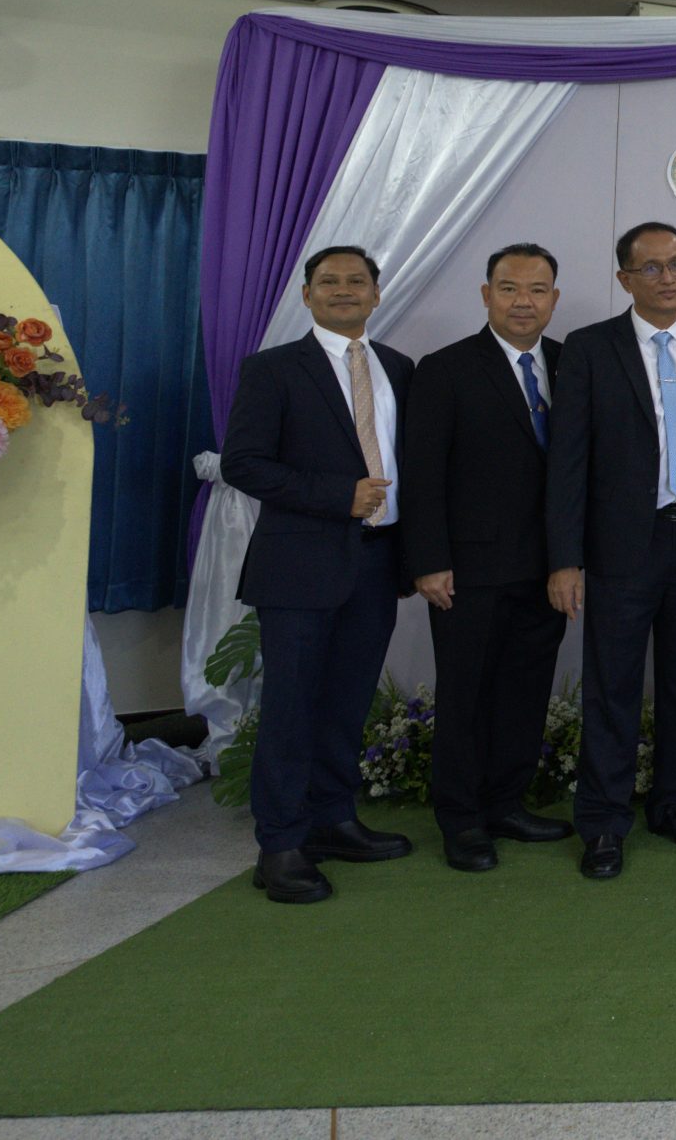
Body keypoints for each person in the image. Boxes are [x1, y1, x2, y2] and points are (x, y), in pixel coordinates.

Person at [220, 245, 415, 903]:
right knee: (291, 707)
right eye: (328, 281)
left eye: (356, 281)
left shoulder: (397, 367)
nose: (343, 290)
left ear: (376, 293)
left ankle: (333, 820)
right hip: (299, 565)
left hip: (377, 560)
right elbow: (243, 463)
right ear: (306, 295)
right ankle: (279, 844)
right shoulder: (273, 369)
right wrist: (338, 496)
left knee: (346, 701)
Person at [545, 222, 676, 880]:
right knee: (613, 687)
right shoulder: (590, 348)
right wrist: (565, 559)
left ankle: (674, 805)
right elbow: (567, 462)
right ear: (624, 278)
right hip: (622, 545)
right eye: (651, 268)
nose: (667, 277)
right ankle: (603, 820)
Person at [397, 243, 574, 872]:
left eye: (537, 289)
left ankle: (506, 803)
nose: (523, 301)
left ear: (554, 298)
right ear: (486, 295)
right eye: (509, 288)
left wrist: (573, 557)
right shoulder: (445, 369)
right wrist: (428, 559)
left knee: (525, 693)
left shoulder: (570, 363)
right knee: (466, 696)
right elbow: (422, 473)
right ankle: (462, 819)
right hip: (467, 571)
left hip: (547, 569)